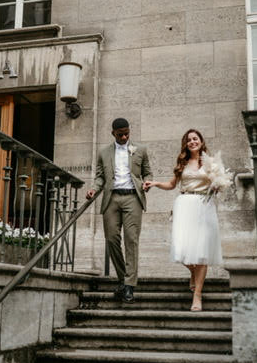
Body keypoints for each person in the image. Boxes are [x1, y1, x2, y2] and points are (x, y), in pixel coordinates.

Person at [143, 129, 223, 312]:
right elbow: (172, 184)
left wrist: (218, 186)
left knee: (202, 251)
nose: (192, 142)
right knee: (181, 248)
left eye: (195, 139)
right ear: (186, 144)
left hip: (204, 206)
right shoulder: (183, 162)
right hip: (185, 205)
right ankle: (194, 273)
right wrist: (155, 183)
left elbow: (217, 183)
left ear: (201, 141)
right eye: (189, 140)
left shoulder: (210, 162)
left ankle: (197, 296)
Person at [86, 118, 153, 303]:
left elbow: (148, 171)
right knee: (111, 239)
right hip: (112, 198)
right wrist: (93, 189)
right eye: (120, 134)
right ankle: (124, 278)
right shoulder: (103, 152)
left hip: (133, 197)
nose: (124, 137)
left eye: (127, 133)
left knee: (131, 240)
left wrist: (147, 182)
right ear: (113, 134)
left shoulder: (140, 150)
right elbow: (100, 177)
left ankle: (129, 285)